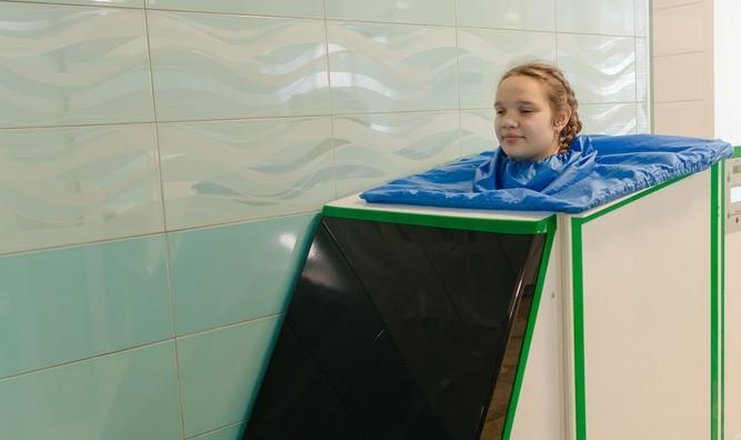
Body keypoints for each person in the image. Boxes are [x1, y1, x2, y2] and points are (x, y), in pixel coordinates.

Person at [494, 62, 582, 161]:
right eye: (500, 111)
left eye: (525, 111)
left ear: (560, 119)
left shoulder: (588, 169)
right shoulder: (482, 168)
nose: (507, 122)